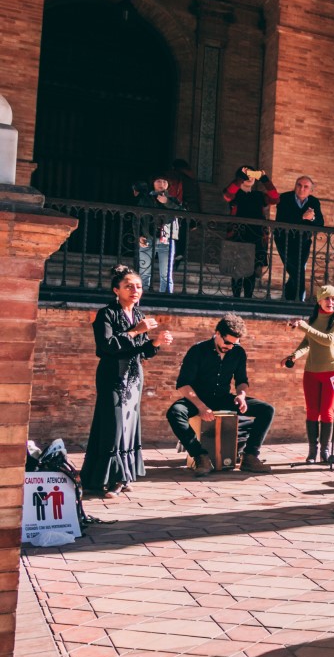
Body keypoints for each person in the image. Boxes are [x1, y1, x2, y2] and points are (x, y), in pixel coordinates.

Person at [84, 265, 174, 498]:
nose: (135, 290)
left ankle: (124, 476)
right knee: (112, 425)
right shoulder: (107, 314)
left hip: (134, 376)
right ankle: (107, 478)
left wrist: (156, 342)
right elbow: (106, 346)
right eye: (129, 286)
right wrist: (136, 331)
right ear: (117, 290)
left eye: (138, 287)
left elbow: (142, 352)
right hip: (112, 376)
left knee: (129, 426)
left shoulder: (139, 316)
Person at [166, 313, 276, 476]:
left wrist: (241, 395)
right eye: (227, 342)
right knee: (174, 413)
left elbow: (242, 380)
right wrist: (201, 407)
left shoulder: (238, 352)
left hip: (223, 398)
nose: (230, 347)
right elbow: (183, 385)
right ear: (217, 333)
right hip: (197, 399)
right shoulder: (198, 350)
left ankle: (250, 457)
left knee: (266, 410)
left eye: (234, 343)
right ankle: (200, 456)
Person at [284, 285, 334, 463]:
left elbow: (329, 340)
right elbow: (308, 342)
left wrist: (304, 326)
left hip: (331, 370)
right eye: (327, 298)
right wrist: (294, 355)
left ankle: (325, 451)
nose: (331, 302)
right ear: (319, 300)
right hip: (311, 370)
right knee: (312, 411)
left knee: (326, 412)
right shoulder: (313, 318)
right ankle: (312, 451)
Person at [224, 166, 279, 298]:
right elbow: (227, 195)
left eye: (252, 175)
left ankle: (248, 297)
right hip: (238, 235)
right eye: (247, 175)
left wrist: (265, 179)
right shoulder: (235, 193)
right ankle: (236, 298)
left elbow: (275, 198)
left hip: (256, 236)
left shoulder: (259, 195)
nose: (250, 178)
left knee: (252, 271)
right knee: (236, 270)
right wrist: (240, 178)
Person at [274, 175, 324, 302]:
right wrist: (302, 217)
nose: (302, 188)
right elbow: (282, 219)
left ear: (311, 190)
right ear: (295, 186)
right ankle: (298, 300)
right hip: (284, 240)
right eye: (299, 185)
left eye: (306, 186)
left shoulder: (314, 202)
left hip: (304, 241)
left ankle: (288, 296)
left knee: (297, 270)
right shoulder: (284, 198)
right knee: (297, 270)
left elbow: (320, 223)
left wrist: (312, 218)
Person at [135, 176, 182, 293]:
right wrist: (138, 235)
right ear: (153, 183)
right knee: (144, 273)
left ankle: (165, 301)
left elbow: (183, 214)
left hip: (166, 240)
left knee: (166, 275)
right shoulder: (145, 199)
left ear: (168, 185)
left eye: (164, 181)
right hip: (147, 238)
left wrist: (167, 202)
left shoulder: (173, 200)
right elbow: (137, 218)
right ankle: (141, 302)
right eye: (158, 181)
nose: (161, 183)